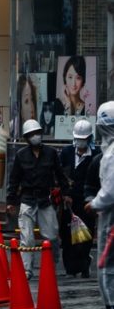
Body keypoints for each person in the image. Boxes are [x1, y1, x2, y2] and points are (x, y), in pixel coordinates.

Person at [6, 117, 70, 278]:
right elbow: (14, 179)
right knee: (26, 238)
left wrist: (66, 193)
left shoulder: (51, 153)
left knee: (52, 235)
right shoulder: (21, 155)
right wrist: (11, 201)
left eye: (37, 133)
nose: (35, 136)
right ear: (27, 137)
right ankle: (27, 269)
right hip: (27, 199)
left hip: (45, 199)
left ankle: (52, 264)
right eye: (32, 134)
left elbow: (60, 175)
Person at [88, 103, 114, 309]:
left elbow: (109, 192)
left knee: (106, 274)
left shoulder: (110, 155)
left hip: (111, 222)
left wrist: (93, 204)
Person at [59, 118, 96, 277]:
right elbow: (60, 175)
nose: (80, 143)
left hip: (87, 202)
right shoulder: (66, 153)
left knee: (85, 235)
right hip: (69, 202)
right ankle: (70, 268)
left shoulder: (95, 156)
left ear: (89, 138)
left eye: (83, 139)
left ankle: (84, 264)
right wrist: (64, 194)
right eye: (78, 139)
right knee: (67, 235)